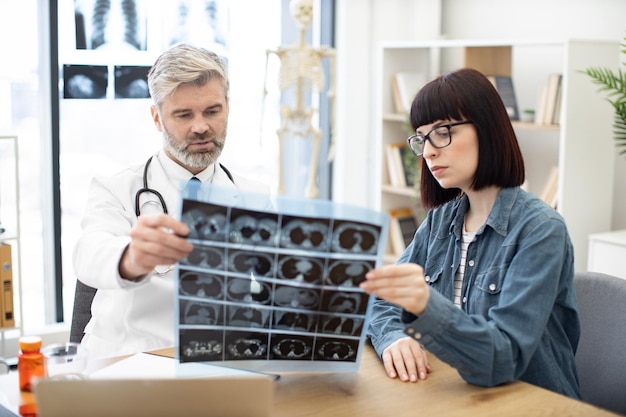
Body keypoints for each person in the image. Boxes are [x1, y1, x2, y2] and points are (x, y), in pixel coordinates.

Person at [360, 68, 581, 399]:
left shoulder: (541, 230)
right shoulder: (438, 223)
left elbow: (503, 358)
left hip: (531, 402)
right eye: (422, 138)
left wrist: (425, 304)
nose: (430, 151)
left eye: (443, 132)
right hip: (461, 395)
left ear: (488, 130)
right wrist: (394, 337)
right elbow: (380, 302)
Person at [73, 43, 271, 359]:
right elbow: (89, 255)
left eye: (212, 111)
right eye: (183, 114)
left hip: (216, 362)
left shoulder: (255, 197)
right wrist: (132, 258)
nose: (201, 127)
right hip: (127, 361)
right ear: (156, 117)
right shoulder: (117, 189)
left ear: (227, 108)